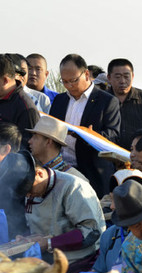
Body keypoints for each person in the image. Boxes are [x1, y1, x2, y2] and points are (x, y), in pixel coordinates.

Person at [22, 151, 106, 273]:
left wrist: (49, 243)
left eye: (29, 191)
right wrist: (26, 240)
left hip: (78, 266)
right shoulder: (32, 190)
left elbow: (91, 232)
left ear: (39, 173)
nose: (28, 196)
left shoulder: (73, 186)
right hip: (46, 264)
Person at [50, 53, 121, 198]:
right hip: (61, 169)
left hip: (93, 172)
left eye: (74, 80)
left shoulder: (107, 101)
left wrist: (90, 136)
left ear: (86, 74)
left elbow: (113, 135)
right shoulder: (59, 100)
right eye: (64, 81)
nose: (69, 86)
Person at [107, 58, 142, 149]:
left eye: (126, 76)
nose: (122, 81)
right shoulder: (103, 99)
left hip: (140, 156)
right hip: (108, 155)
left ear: (133, 76)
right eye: (118, 77)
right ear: (109, 78)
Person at [25, 116, 86, 180]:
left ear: (48, 142)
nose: (29, 141)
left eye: (35, 137)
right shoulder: (28, 169)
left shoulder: (75, 179)